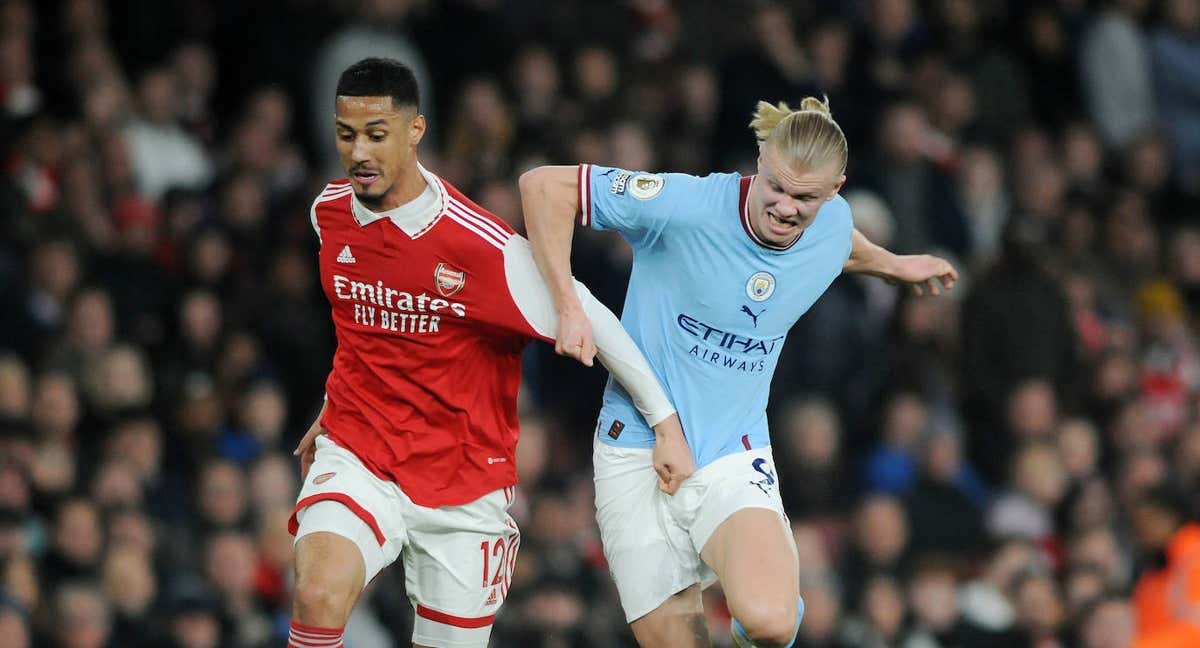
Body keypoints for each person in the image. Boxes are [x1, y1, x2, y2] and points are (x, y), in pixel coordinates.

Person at [519, 97, 957, 647]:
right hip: (635, 452)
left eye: (805, 198)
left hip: (733, 451)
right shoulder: (686, 204)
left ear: (835, 191)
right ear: (760, 160)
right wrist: (567, 305)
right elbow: (543, 187)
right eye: (775, 187)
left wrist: (895, 266)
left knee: (772, 620)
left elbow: (841, 244)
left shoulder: (831, 225)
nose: (784, 207)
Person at [287, 57, 689, 648]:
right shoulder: (329, 214)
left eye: (377, 135)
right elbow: (363, 326)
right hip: (360, 452)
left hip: (464, 484)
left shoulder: (479, 247)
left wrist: (664, 421)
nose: (360, 153)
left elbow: (590, 315)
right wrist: (331, 403)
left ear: (416, 131)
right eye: (347, 135)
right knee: (319, 592)